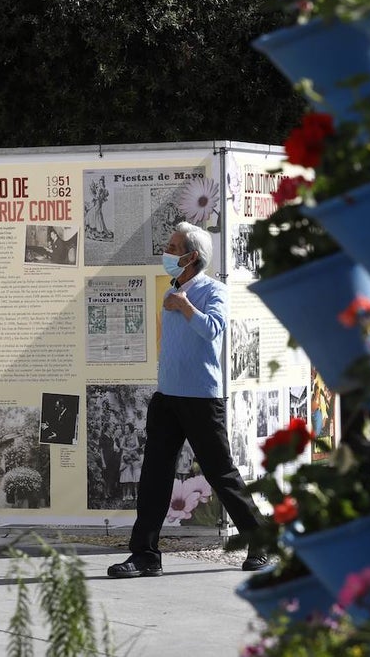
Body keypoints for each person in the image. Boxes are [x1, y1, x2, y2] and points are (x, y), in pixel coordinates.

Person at [108, 221, 273, 579]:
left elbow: (214, 329)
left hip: (201, 399)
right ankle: (145, 555)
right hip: (167, 398)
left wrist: (185, 307)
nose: (166, 252)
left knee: (221, 473)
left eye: (172, 246)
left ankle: (262, 542)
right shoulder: (172, 290)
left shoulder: (213, 291)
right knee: (154, 477)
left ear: (191, 256)